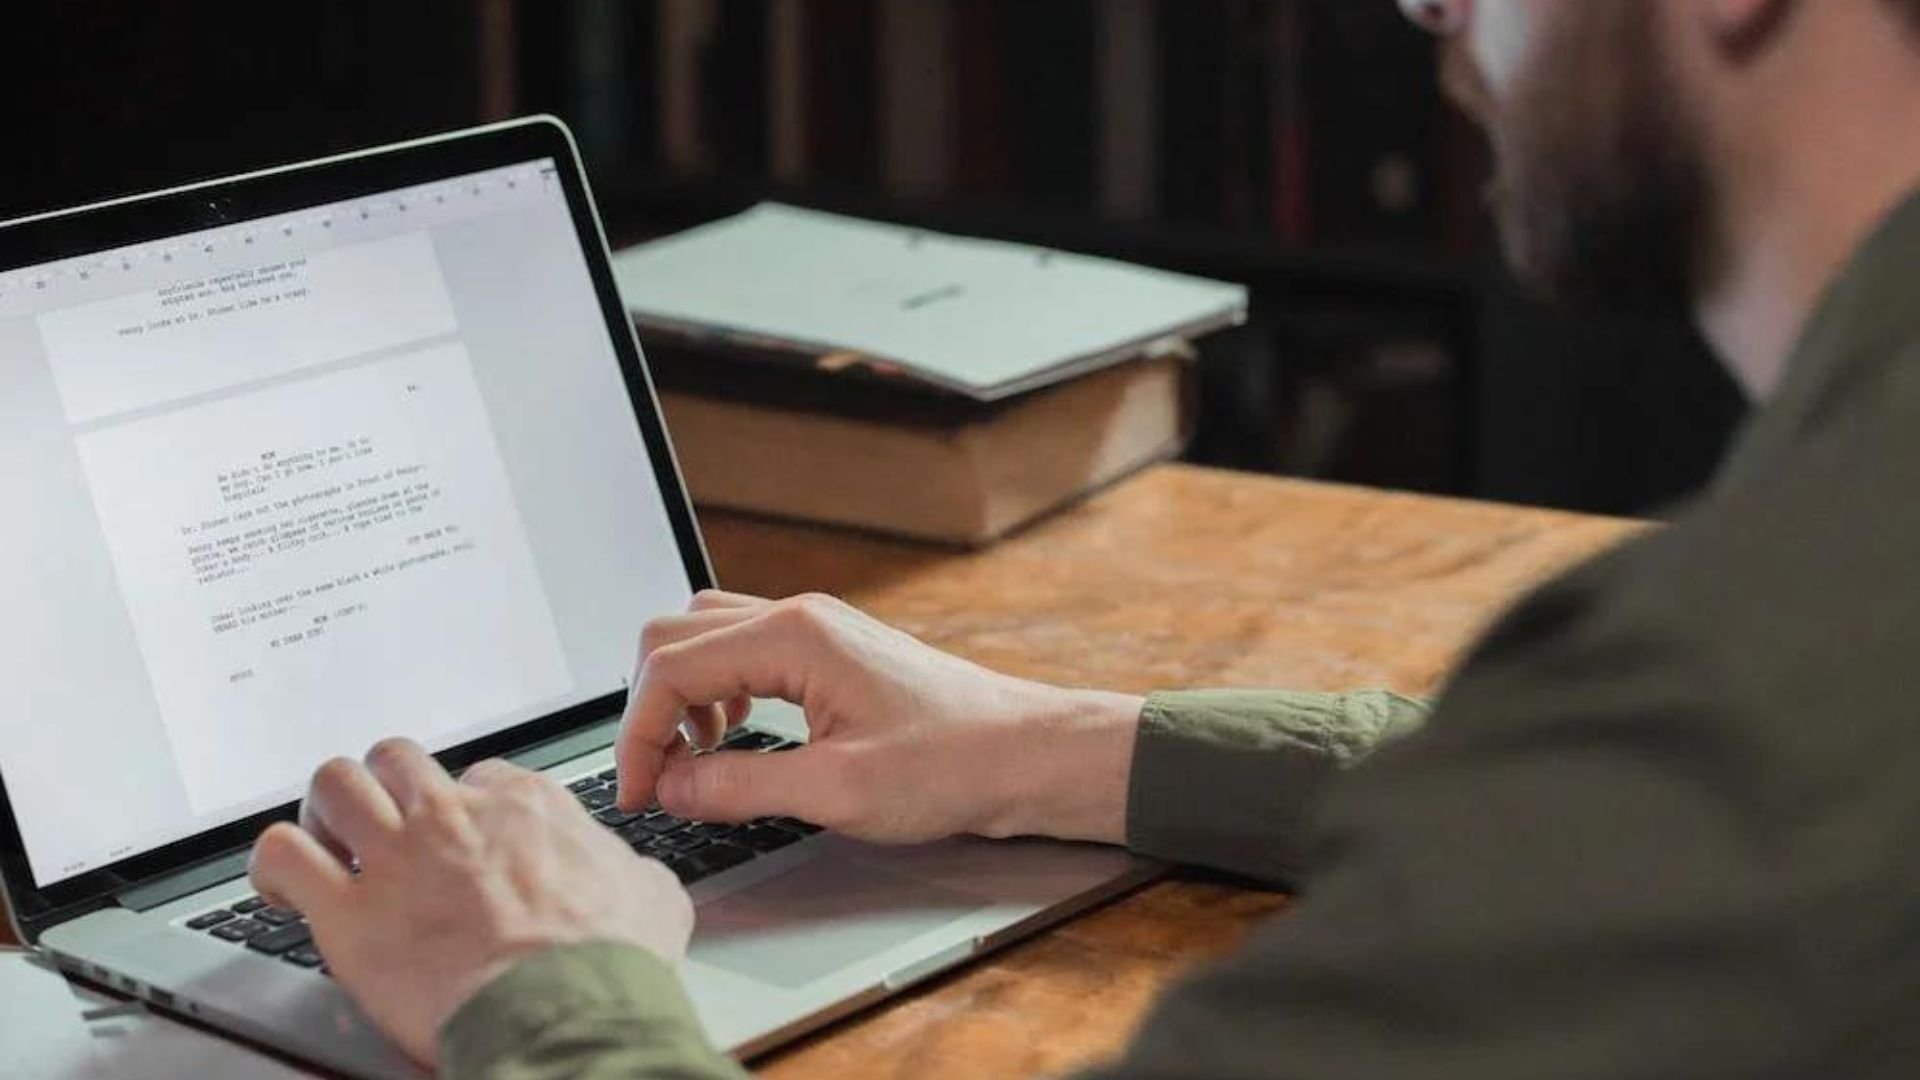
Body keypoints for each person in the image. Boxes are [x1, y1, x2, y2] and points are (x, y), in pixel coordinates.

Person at [248, 0, 1920, 1076]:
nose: (1428, 9)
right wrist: (1057, 750)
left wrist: (544, 989)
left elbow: (1667, 796)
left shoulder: (1745, 696)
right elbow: (1606, 830)